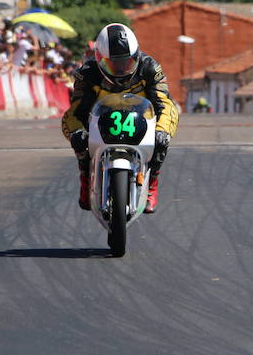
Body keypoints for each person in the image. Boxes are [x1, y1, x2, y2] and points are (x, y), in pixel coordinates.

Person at [62, 23, 179, 213]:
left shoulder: (150, 68)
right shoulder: (87, 74)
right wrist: (76, 132)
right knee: (78, 139)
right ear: (99, 59)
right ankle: (85, 178)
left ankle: (152, 184)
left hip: (141, 121)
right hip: (101, 123)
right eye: (112, 64)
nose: (121, 69)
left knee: (162, 139)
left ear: (136, 55)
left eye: (127, 61)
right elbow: (74, 112)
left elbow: (165, 104)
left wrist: (163, 131)